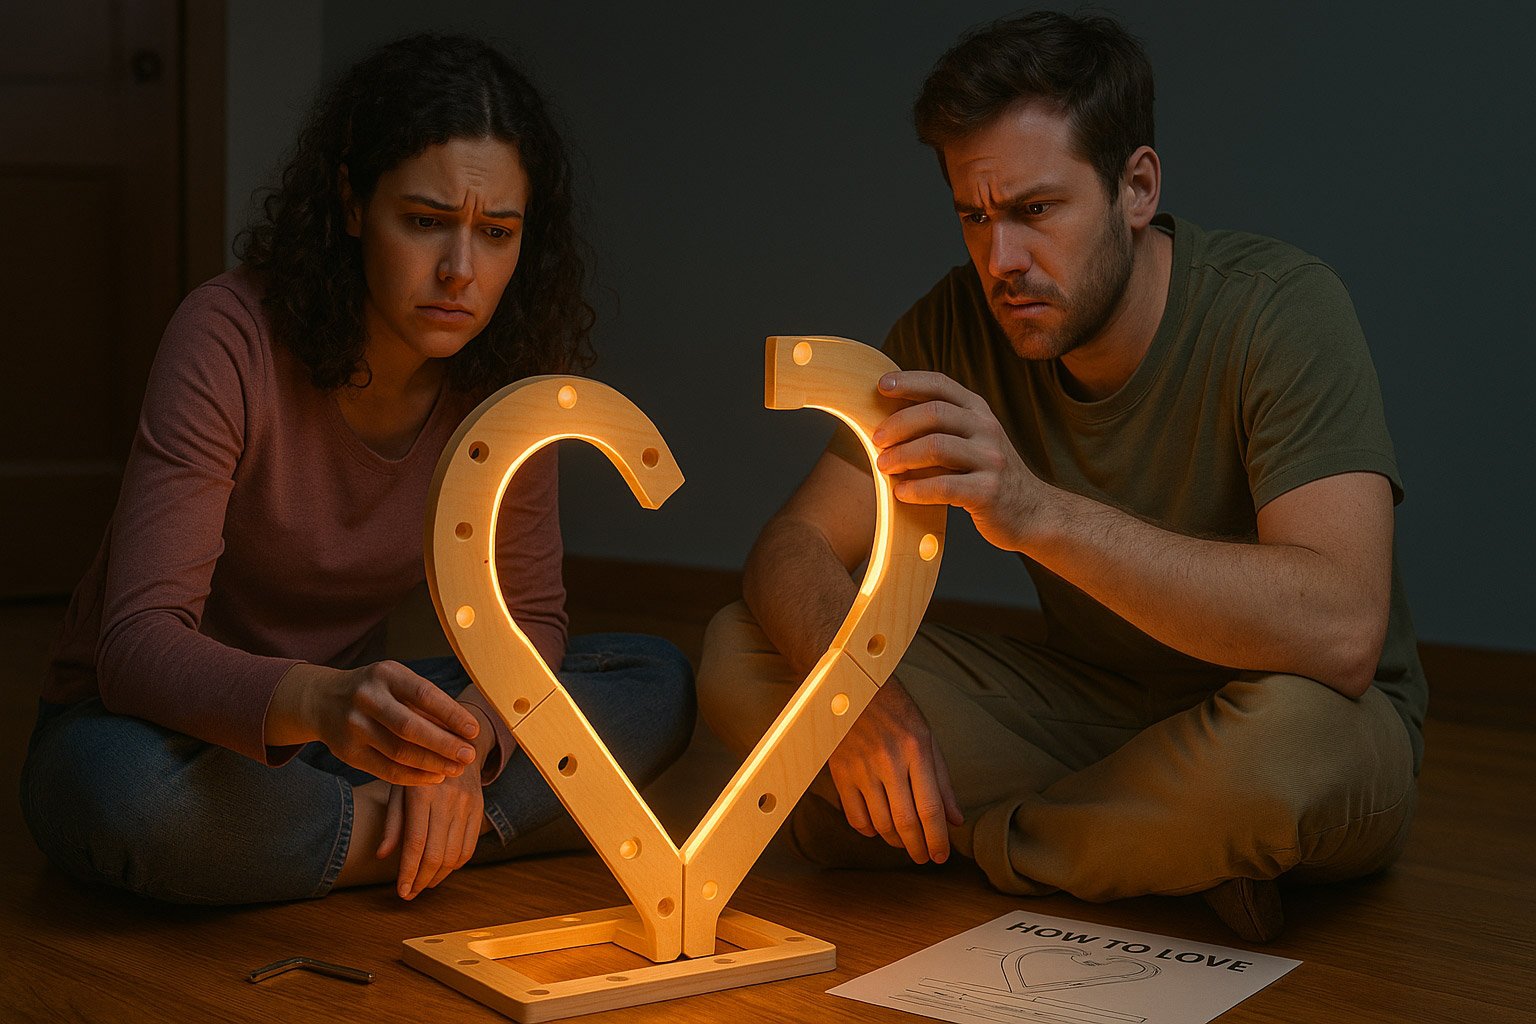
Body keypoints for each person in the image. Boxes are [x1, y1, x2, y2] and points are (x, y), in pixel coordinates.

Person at [697, 11, 1423, 943]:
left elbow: (1344, 627)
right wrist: (859, 706)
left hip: (1292, 711)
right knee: (742, 651)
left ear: (1136, 187)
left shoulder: (1281, 309)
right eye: (974, 215)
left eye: (1037, 211)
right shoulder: (955, 328)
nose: (1002, 261)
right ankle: (1152, 853)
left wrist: (1035, 513)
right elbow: (793, 547)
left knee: (1279, 761)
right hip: (1088, 711)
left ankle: (980, 841)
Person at [21, 33, 694, 906]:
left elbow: (528, 619)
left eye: (496, 234)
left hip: (348, 738)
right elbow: (138, 647)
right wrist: (330, 703)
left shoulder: (505, 377)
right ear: (349, 203)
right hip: (160, 730)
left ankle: (345, 835)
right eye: (424, 222)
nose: (460, 271)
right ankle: (411, 841)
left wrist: (462, 752)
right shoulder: (227, 336)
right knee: (126, 800)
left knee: (657, 682)